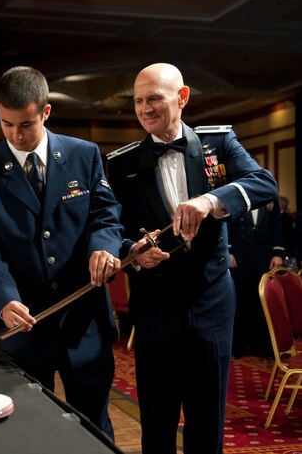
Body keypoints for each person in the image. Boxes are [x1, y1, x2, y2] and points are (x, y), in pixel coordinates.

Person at [106, 63, 278, 454]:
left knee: (207, 415)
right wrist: (131, 251)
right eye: (137, 101)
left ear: (182, 98)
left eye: (154, 99)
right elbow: (110, 227)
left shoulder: (219, 142)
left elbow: (264, 183)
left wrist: (210, 200)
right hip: (155, 302)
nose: (144, 109)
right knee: (157, 415)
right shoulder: (122, 163)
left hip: (212, 300)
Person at [0, 66, 124, 438]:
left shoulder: (84, 155)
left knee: (94, 426)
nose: (16, 135)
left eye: (26, 125)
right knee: (29, 433)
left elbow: (105, 215)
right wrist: (3, 302)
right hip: (26, 324)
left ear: (46, 113)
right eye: (6, 124)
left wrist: (103, 248)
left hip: (85, 321)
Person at [229, 197, 285, 357]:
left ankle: (263, 346)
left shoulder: (269, 196)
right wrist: (229, 250)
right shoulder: (236, 195)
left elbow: (277, 225)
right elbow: (227, 224)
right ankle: (240, 345)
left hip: (264, 255)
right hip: (240, 255)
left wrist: (278, 252)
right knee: (241, 298)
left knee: (263, 301)